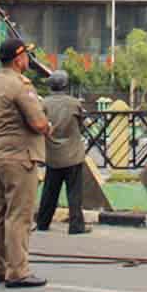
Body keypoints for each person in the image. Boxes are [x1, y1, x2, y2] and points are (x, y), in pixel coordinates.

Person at [0, 37, 51, 289]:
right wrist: (48, 126)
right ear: (19, 58)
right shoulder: (20, 85)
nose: (28, 60)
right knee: (18, 215)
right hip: (19, 157)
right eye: (27, 56)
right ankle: (18, 271)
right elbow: (39, 123)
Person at [36, 70, 89, 234]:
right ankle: (76, 226)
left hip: (52, 154)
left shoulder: (43, 104)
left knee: (49, 191)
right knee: (74, 193)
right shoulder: (74, 103)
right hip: (73, 154)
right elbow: (82, 125)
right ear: (66, 85)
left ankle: (43, 223)